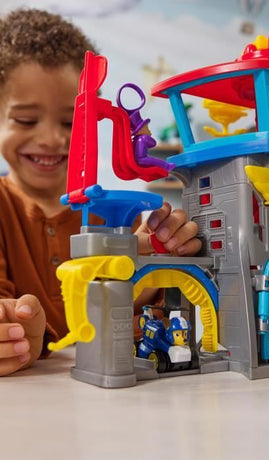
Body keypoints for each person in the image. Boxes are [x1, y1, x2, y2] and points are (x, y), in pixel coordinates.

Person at [0, 9, 201, 377]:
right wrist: (17, 329)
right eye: (26, 120)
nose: (52, 138)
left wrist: (150, 270)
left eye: (71, 122)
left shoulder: (122, 220)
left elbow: (146, 320)